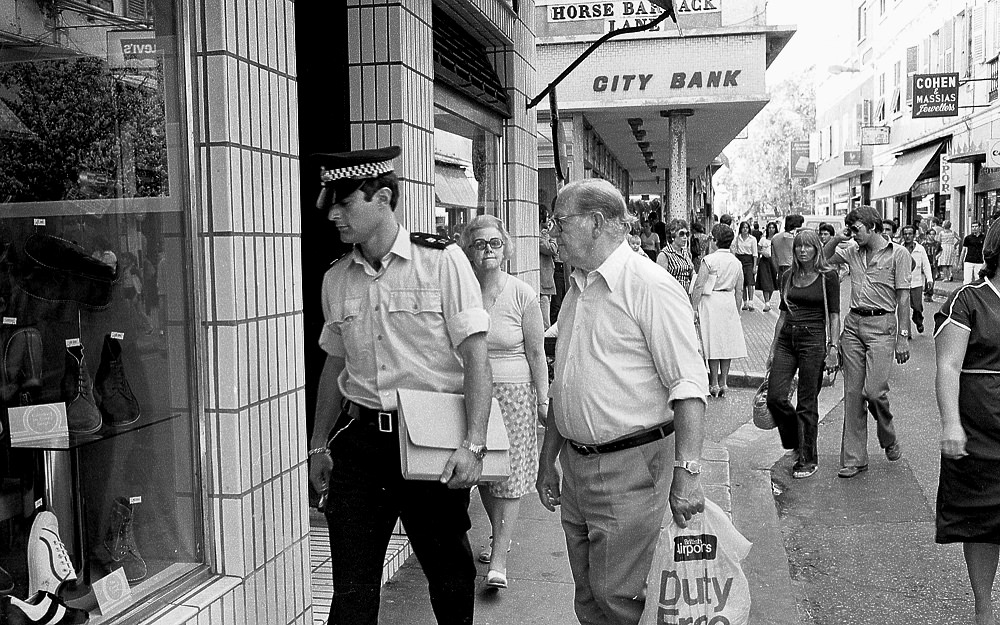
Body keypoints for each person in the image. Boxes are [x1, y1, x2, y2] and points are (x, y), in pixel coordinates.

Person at [307, 146, 493, 625]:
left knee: (449, 576)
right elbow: (334, 366)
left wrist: (473, 444)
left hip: (430, 444)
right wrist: (317, 446)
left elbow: (476, 359)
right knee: (351, 588)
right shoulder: (335, 278)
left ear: (383, 197)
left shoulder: (443, 261)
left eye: (345, 203)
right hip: (361, 446)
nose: (333, 214)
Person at [536, 178, 708, 625]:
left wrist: (687, 473)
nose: (551, 233)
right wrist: (548, 458)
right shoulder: (578, 287)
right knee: (590, 596)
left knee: (621, 598)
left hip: (631, 466)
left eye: (560, 221)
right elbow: (566, 384)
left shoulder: (649, 285)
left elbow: (689, 387)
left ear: (596, 223)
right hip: (577, 468)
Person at [460, 215, 548, 590]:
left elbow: (537, 352)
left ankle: (499, 559)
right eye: (480, 244)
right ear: (469, 251)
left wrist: (543, 399)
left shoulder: (522, 293)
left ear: (506, 248)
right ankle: (499, 535)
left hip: (513, 393)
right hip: (471, 392)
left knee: (509, 475)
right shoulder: (460, 292)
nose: (488, 251)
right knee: (482, 470)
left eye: (495, 243)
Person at [934, 219, 1000, 625]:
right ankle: (983, 605)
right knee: (983, 522)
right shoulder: (969, 299)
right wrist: (951, 423)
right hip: (979, 429)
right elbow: (948, 366)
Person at [823, 206, 912, 479]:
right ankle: (854, 459)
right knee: (852, 394)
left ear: (872, 227)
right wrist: (839, 237)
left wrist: (903, 337)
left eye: (857, 229)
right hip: (853, 327)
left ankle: (888, 437)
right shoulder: (851, 251)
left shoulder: (899, 254)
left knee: (873, 391)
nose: (854, 234)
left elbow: (904, 298)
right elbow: (822, 259)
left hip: (882, 327)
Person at [766, 229, 841, 479]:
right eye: (799, 246)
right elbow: (783, 314)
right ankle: (795, 441)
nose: (802, 250)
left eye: (808, 246)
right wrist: (773, 349)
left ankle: (808, 458)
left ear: (817, 249)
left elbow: (834, 316)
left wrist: (833, 348)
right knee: (775, 397)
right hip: (788, 338)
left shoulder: (827, 277)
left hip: (813, 340)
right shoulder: (787, 276)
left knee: (807, 402)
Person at [691, 224, 749, 397]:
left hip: (711, 301)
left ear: (715, 241)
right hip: (729, 300)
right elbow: (740, 290)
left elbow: (699, 285)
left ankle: (713, 383)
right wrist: (737, 311)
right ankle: (724, 382)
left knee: (713, 341)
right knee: (727, 343)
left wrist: (693, 308)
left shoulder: (709, 260)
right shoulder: (736, 262)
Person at [901, 224, 934, 334]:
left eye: (910, 234)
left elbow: (926, 265)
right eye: (905, 234)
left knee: (917, 307)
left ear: (914, 235)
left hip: (916, 283)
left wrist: (929, 279)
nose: (907, 236)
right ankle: (906, 332)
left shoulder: (920, 249)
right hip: (902, 283)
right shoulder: (900, 249)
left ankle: (918, 321)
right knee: (903, 308)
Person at [656, 222, 695, 292]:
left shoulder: (686, 253)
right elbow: (660, 280)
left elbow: (692, 273)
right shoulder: (665, 254)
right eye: (681, 234)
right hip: (673, 294)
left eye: (687, 234)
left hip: (686, 294)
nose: (685, 237)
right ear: (672, 236)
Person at [539, 211, 559, 328]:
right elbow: (552, 249)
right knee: (545, 321)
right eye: (547, 217)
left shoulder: (543, 235)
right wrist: (551, 237)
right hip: (543, 281)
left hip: (546, 278)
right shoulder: (540, 237)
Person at [733, 221, 759, 310]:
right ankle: (745, 303)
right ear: (740, 229)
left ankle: (751, 302)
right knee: (742, 282)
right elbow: (735, 251)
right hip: (740, 260)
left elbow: (755, 254)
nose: (745, 229)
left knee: (750, 282)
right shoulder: (737, 239)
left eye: (747, 228)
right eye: (743, 227)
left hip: (749, 260)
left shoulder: (752, 239)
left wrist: (754, 266)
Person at [772, 214, 802, 287]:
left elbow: (773, 257)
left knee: (782, 294)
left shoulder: (775, 238)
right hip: (793, 269)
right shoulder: (795, 238)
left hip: (780, 268)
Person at [757, 222, 779, 312]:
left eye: (773, 228)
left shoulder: (777, 239)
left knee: (772, 282)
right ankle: (766, 302)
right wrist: (762, 253)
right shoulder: (763, 240)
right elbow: (758, 249)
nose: (771, 229)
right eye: (769, 228)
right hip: (764, 262)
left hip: (774, 262)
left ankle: (768, 300)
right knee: (765, 282)